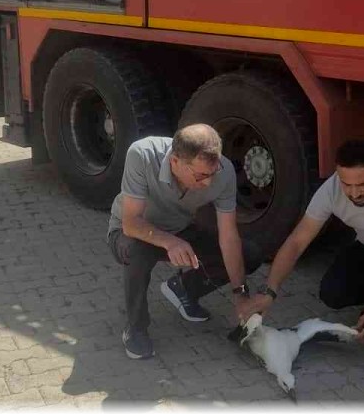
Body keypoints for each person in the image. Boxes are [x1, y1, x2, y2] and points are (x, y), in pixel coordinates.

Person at [237, 140, 364, 361]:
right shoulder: (331, 189)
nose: (354, 193)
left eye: (362, 184)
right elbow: (297, 241)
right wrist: (270, 291)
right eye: (347, 184)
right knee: (332, 293)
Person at [106, 123, 262, 360]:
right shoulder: (142, 154)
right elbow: (131, 223)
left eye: (213, 172)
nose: (208, 183)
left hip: (180, 230)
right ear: (175, 162)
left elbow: (229, 237)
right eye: (200, 176)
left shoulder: (225, 172)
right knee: (137, 251)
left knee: (250, 253)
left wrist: (240, 294)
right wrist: (170, 242)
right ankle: (136, 328)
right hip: (131, 233)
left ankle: (184, 289)